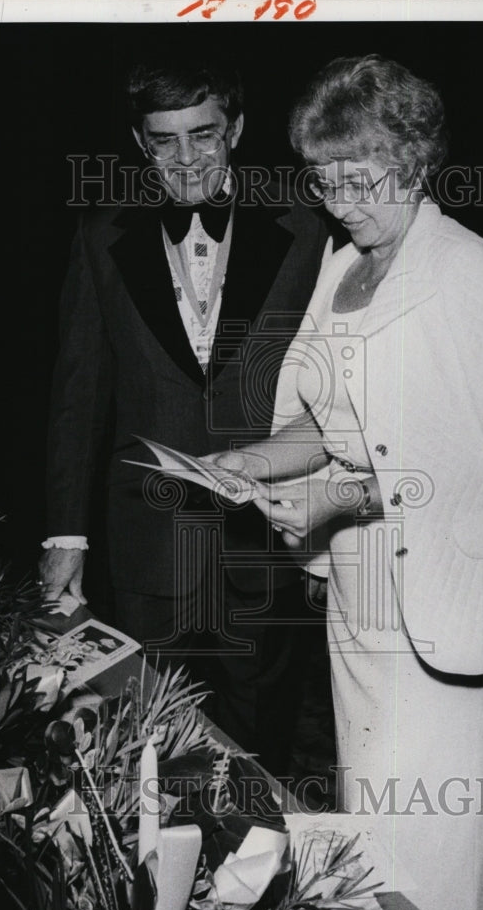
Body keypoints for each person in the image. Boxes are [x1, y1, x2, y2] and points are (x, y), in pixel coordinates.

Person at [208, 54, 483, 910]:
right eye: (322, 181)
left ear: (413, 160)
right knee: (373, 848)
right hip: (357, 602)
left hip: (442, 609)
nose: (338, 200)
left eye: (357, 179)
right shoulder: (341, 265)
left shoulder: (471, 273)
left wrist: (334, 495)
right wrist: (249, 462)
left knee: (437, 860)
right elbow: (319, 420)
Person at [40, 54, 330, 775]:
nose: (185, 157)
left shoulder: (309, 227)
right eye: (163, 140)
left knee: (260, 752)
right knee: (148, 753)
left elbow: (342, 389)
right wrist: (65, 534)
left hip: (265, 535)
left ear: (234, 128)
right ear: (140, 144)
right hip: (146, 535)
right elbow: (79, 395)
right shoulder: (100, 235)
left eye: (202, 134)